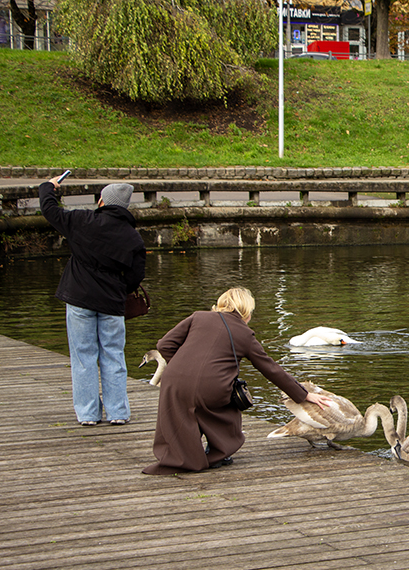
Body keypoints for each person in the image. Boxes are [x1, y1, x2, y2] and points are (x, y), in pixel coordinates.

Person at [143, 287, 333, 475]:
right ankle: (219, 454)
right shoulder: (244, 334)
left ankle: (181, 454)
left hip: (174, 381)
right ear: (246, 312)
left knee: (181, 412)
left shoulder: (198, 317)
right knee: (227, 410)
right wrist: (304, 394)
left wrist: (182, 367)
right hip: (212, 386)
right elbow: (271, 370)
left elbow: (164, 344)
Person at [40, 178, 146, 427]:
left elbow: (50, 210)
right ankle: (118, 412)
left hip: (79, 300)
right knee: (113, 355)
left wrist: (49, 187)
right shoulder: (132, 238)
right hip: (112, 304)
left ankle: (88, 414)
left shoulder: (82, 221)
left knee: (83, 357)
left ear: (102, 201)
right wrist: (120, 288)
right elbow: (135, 276)